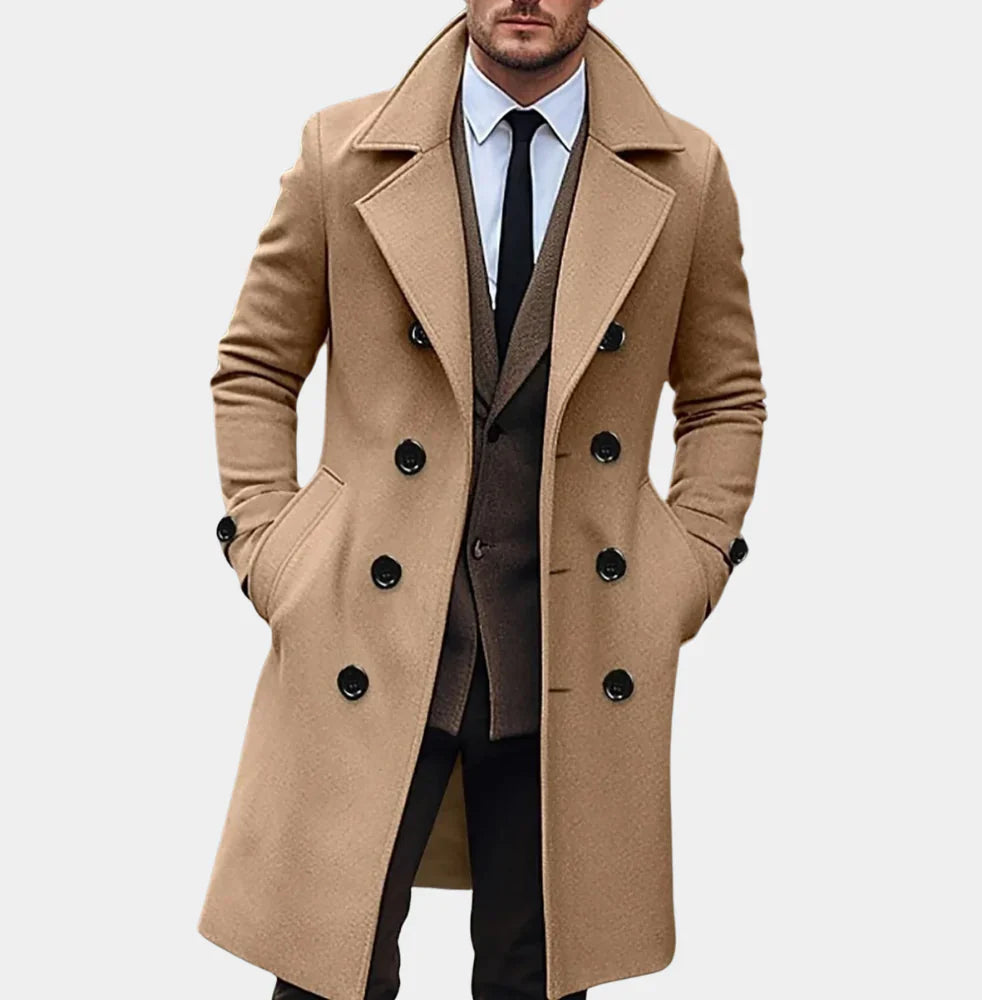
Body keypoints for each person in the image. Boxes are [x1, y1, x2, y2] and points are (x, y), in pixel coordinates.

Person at [200, 3, 767, 998]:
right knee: (327, 971)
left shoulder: (686, 175)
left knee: (535, 977)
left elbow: (724, 398)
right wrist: (273, 551)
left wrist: (686, 569)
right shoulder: (342, 153)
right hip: (366, 640)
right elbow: (254, 368)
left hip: (571, 650)